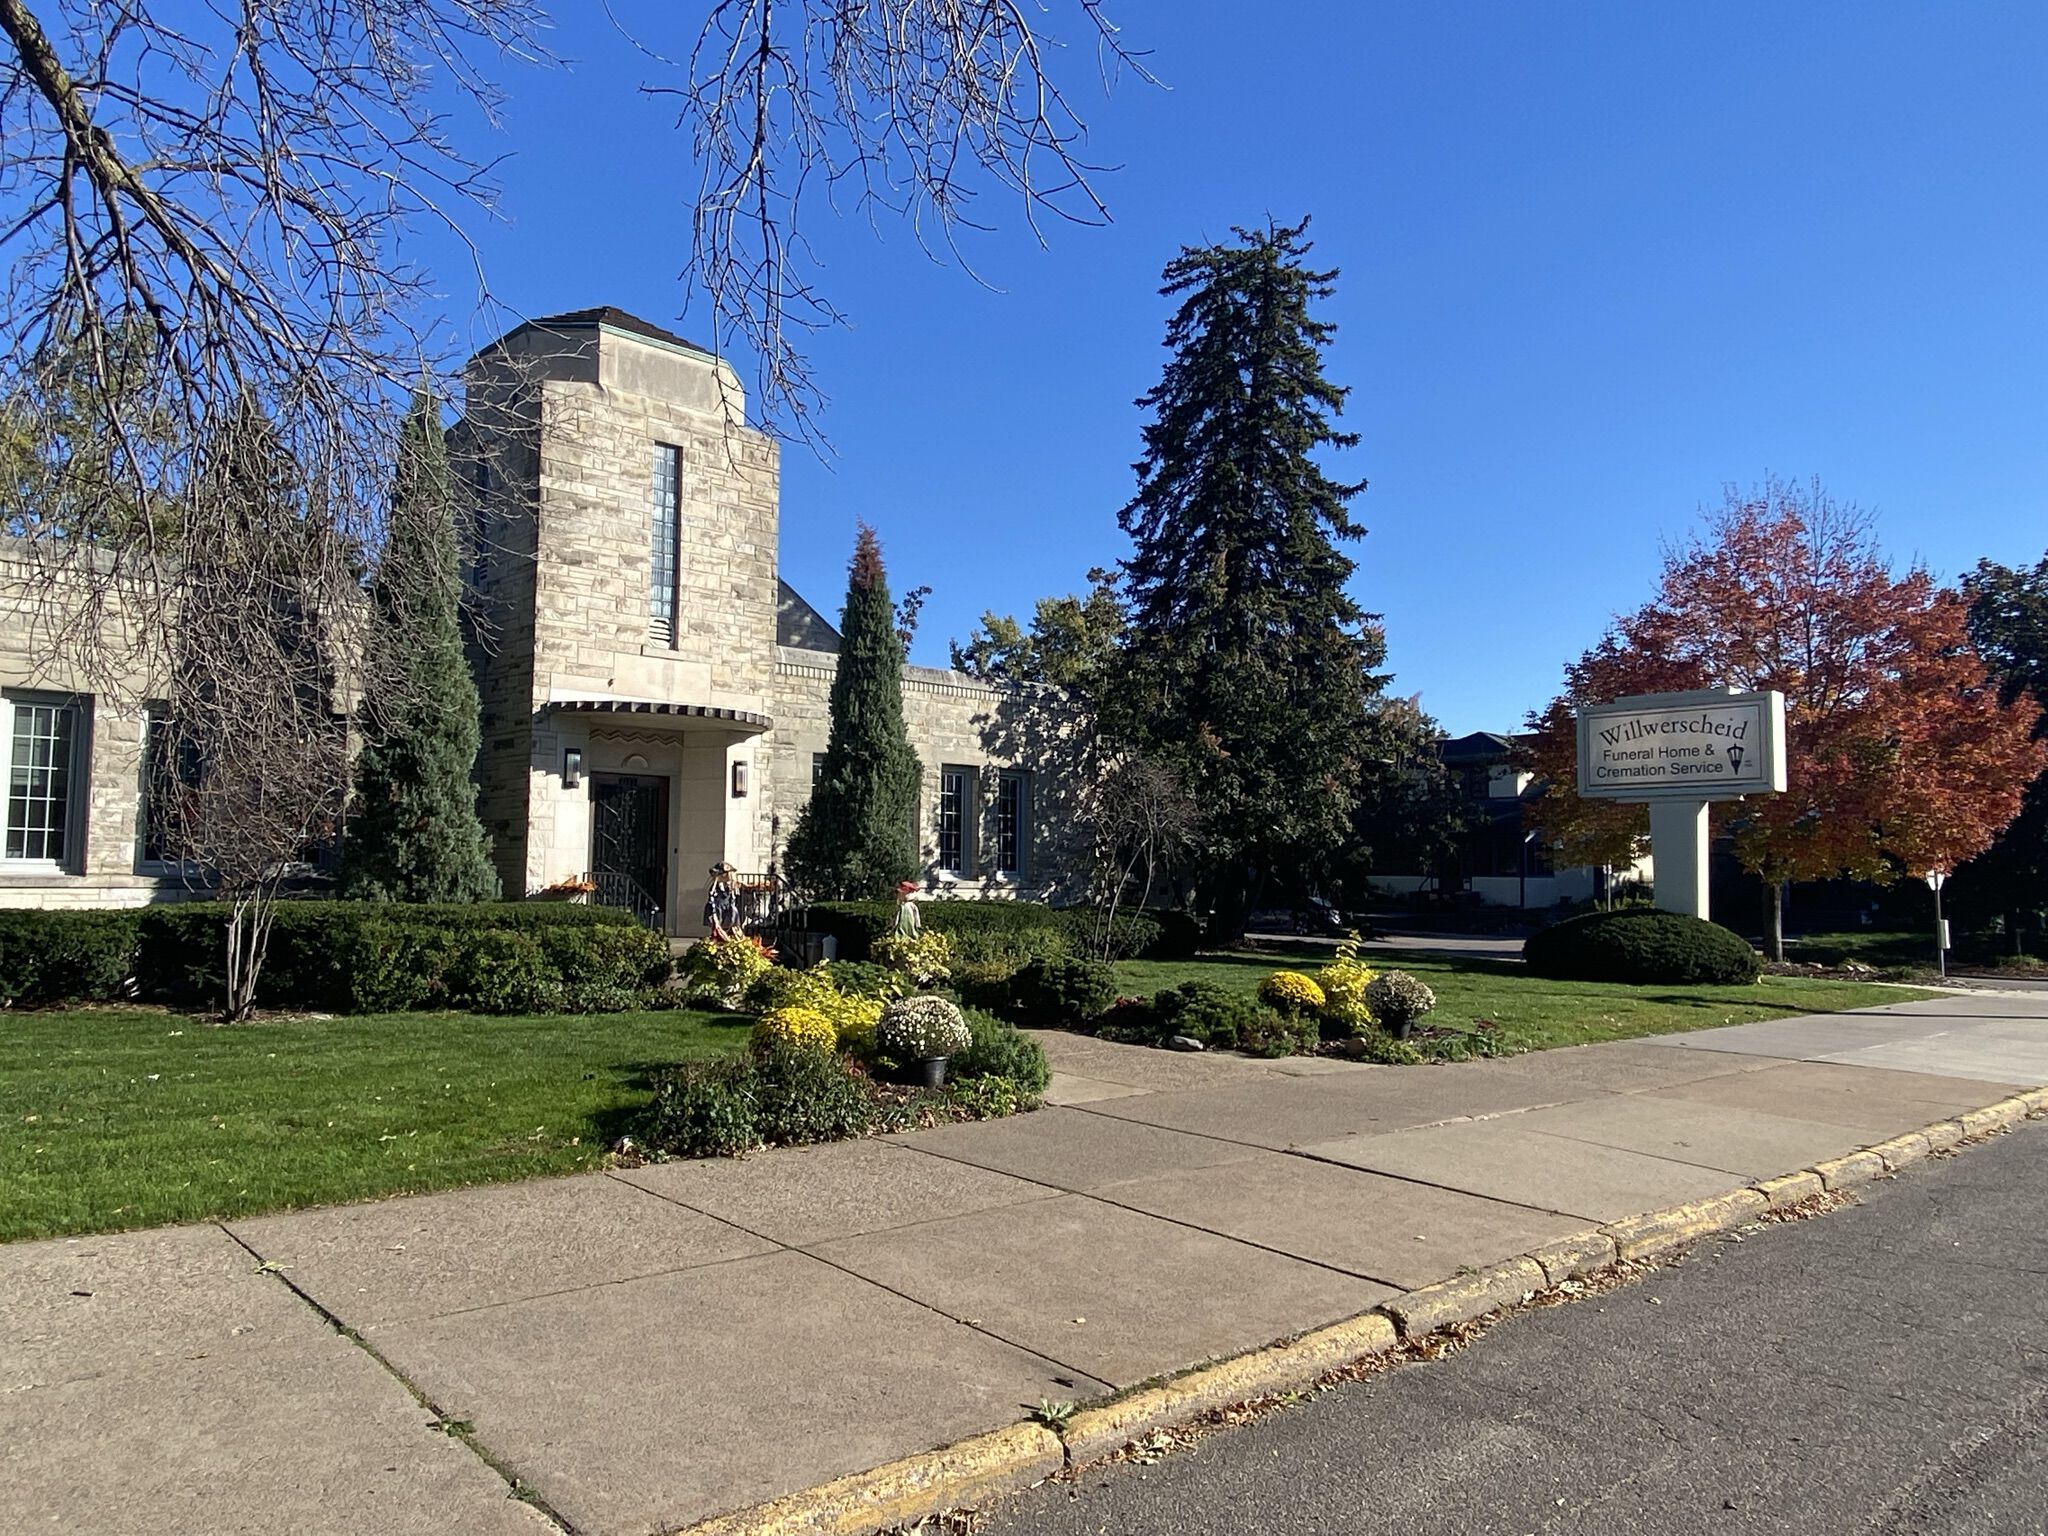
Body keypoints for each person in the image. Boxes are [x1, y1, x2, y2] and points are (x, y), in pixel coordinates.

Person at [704, 862, 741, 940]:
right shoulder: (715, 887)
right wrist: (714, 913)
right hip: (717, 909)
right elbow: (712, 899)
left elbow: (733, 898)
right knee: (717, 930)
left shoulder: (731, 886)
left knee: (731, 928)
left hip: (728, 910)